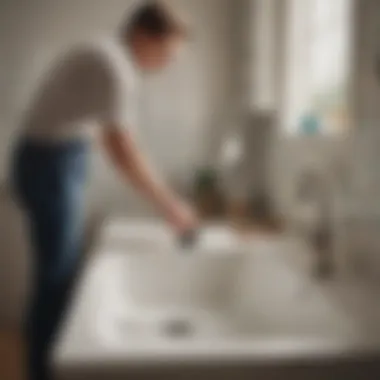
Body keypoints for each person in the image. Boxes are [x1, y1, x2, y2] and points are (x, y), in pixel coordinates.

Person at [10, 2, 197, 379]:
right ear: (144, 36)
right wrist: (170, 204)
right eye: (167, 52)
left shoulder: (105, 55)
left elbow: (99, 132)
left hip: (49, 159)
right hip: (50, 163)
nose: (168, 62)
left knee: (57, 273)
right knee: (57, 278)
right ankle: (42, 372)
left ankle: (41, 364)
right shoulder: (114, 67)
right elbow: (124, 150)